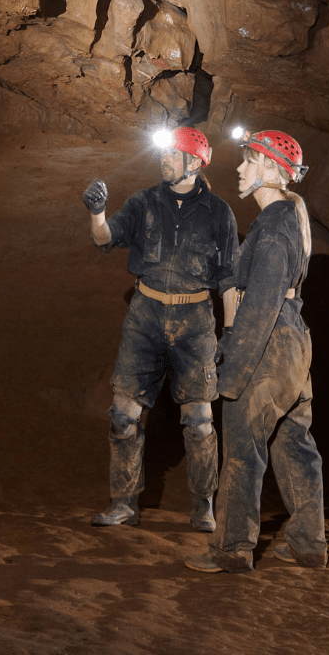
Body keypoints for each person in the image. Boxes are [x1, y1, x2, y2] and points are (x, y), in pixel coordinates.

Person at [82, 126, 240, 532]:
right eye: (164, 153)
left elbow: (228, 280)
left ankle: (203, 506)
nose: (163, 160)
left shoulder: (219, 213)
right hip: (146, 315)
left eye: (172, 155)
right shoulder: (143, 203)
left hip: (195, 322)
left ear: (194, 163)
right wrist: (96, 212)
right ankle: (123, 504)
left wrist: (232, 333)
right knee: (122, 415)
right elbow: (105, 238)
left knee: (200, 421)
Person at [185, 128, 328, 573]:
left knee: (243, 451)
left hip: (269, 345)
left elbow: (260, 307)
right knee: (294, 445)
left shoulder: (272, 230)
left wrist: (231, 373)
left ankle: (231, 550)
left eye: (249, 161)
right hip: (295, 345)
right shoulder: (286, 220)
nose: (241, 169)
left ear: (270, 169)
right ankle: (309, 544)